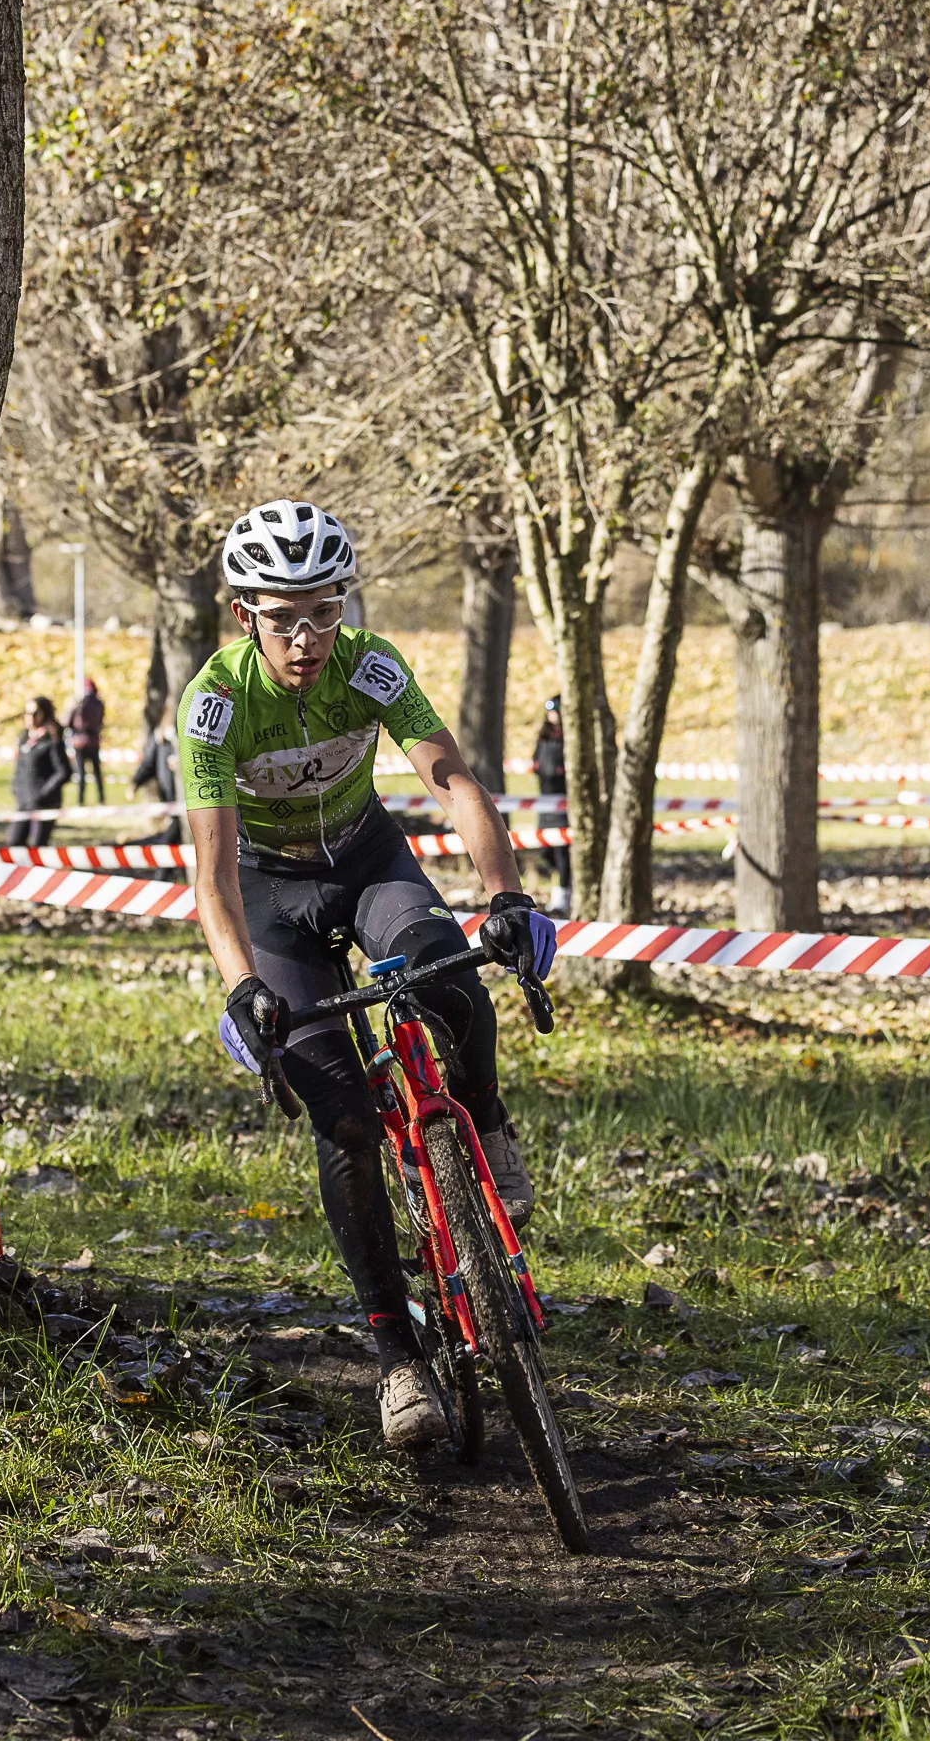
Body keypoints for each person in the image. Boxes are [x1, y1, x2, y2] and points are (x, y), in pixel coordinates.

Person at [178, 500, 559, 1454]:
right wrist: (238, 985)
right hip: (271, 899)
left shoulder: (371, 665)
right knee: (343, 1120)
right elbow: (213, 874)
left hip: (365, 860)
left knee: (443, 969)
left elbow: (453, 782)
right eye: (283, 617)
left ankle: (486, 1110)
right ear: (244, 617)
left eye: (324, 611)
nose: (307, 638)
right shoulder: (215, 706)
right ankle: (397, 1357)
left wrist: (504, 896)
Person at [8, 696, 69, 848]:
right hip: (24, 802)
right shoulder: (24, 738)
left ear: (45, 714)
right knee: (14, 842)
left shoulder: (52, 739)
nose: (30, 717)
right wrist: (16, 787)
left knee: (38, 846)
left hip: (45, 804)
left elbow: (64, 772)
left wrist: (43, 793)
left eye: (35, 713)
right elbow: (20, 766)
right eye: (27, 713)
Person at [531, 695, 573, 912]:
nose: (553, 714)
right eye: (550, 710)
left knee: (562, 851)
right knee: (546, 851)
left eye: (557, 709)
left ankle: (564, 894)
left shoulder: (571, 738)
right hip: (544, 802)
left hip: (564, 803)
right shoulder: (544, 737)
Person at [129, 713, 184, 845]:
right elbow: (149, 763)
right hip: (171, 799)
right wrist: (135, 782)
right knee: (173, 836)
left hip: (188, 801)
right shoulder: (159, 736)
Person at [67, 675, 108, 803]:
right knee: (97, 772)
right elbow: (101, 721)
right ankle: (101, 798)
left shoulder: (79, 702)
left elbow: (68, 720)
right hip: (94, 740)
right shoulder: (99, 703)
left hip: (79, 742)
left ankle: (80, 800)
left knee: (81, 773)